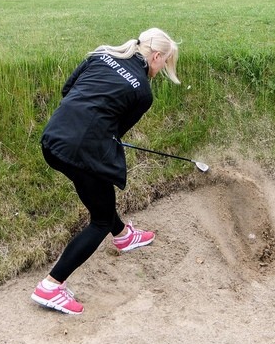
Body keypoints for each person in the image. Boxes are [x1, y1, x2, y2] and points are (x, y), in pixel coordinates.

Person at [32, 28, 181, 315]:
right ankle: (51, 286)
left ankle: (124, 235)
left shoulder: (102, 54)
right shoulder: (143, 91)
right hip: (79, 151)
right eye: (164, 63)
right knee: (99, 220)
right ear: (156, 55)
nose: (162, 69)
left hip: (53, 140)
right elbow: (118, 130)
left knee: (100, 194)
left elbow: (68, 90)